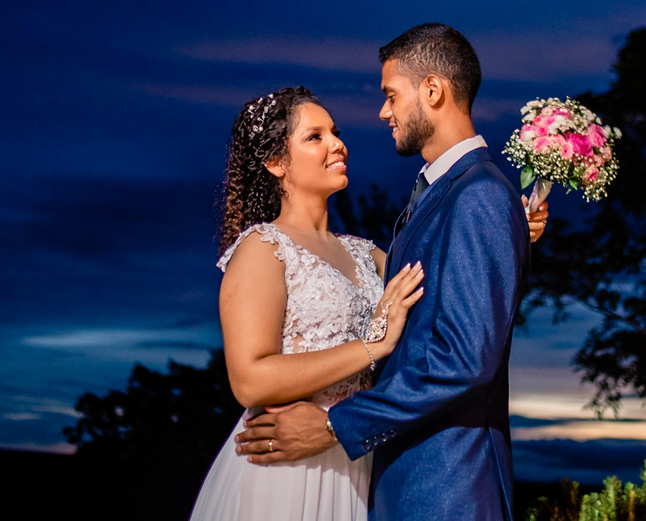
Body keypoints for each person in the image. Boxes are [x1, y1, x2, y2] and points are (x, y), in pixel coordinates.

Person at [189, 83, 548, 520]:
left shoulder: (368, 254)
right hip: (288, 461)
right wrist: (371, 347)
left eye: (335, 132)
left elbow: (450, 285)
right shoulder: (262, 249)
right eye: (315, 136)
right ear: (276, 163)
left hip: (357, 459)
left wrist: (507, 225)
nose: (337, 144)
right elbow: (249, 380)